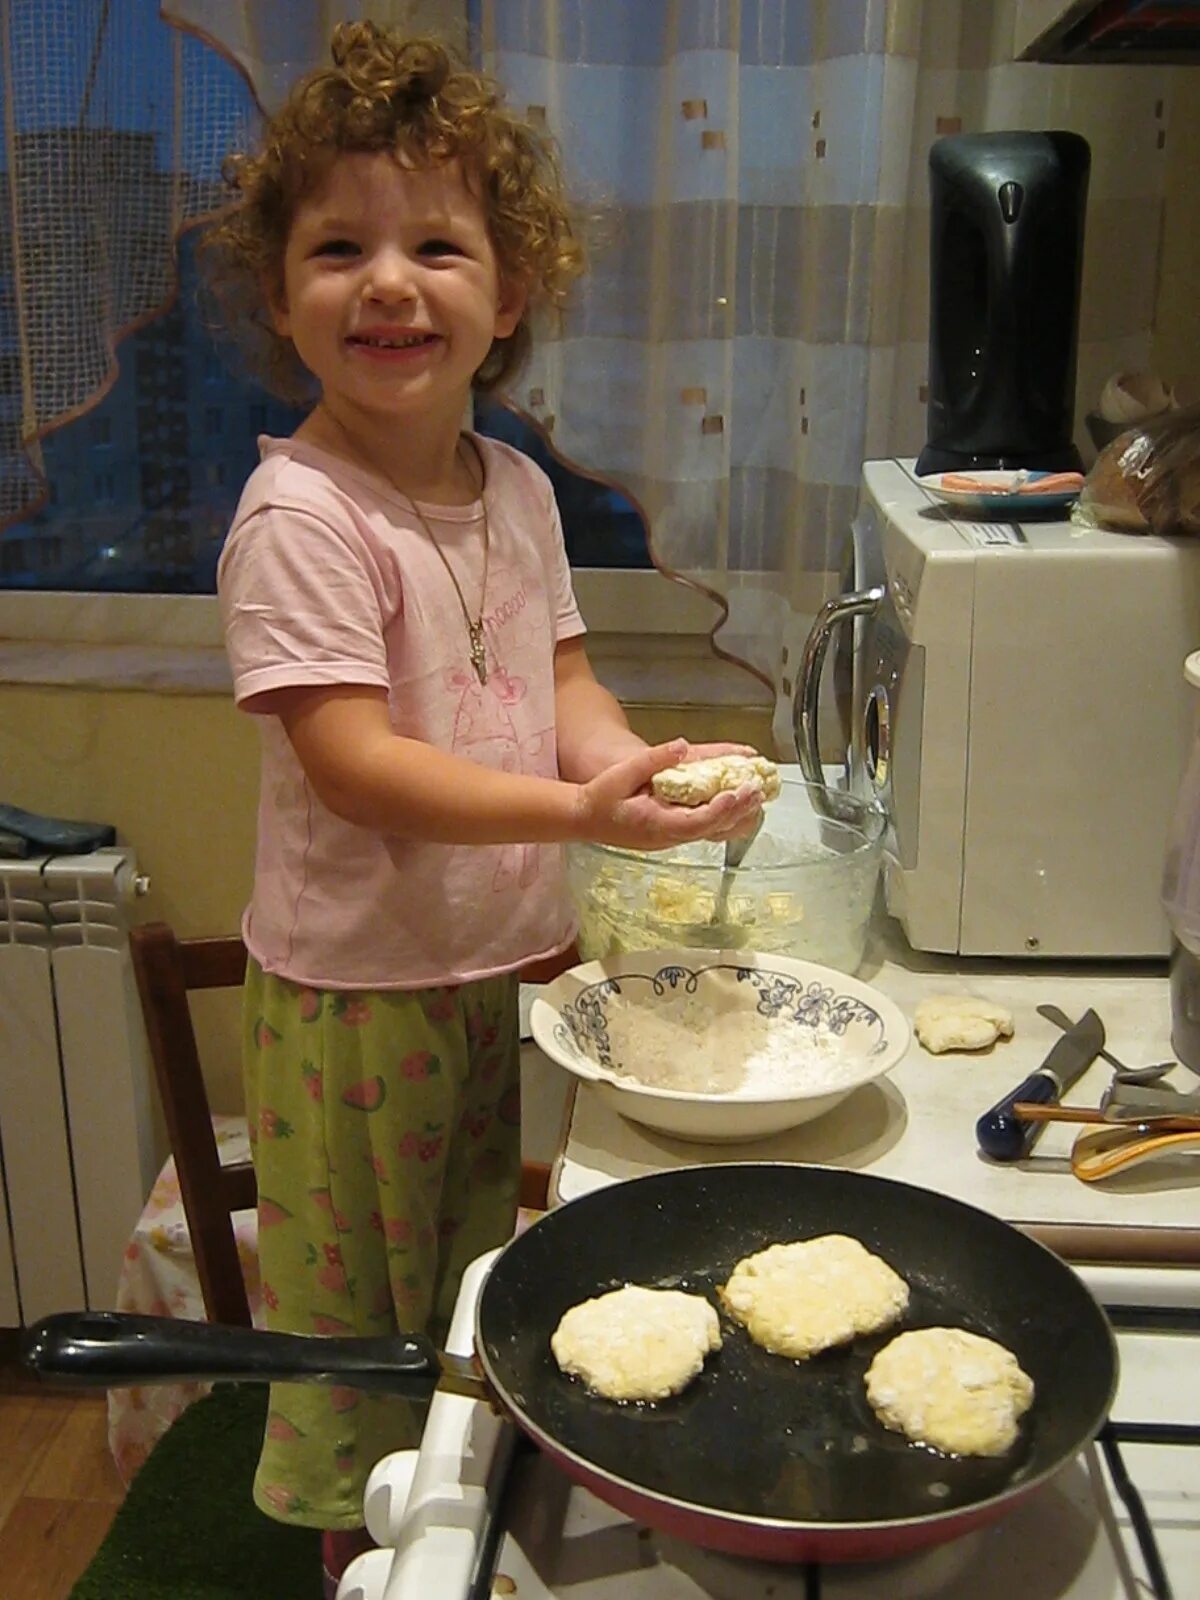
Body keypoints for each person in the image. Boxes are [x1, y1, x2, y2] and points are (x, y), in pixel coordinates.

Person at [202, 22, 764, 1595]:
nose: (390, 283)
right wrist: (576, 812)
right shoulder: (300, 514)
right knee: (361, 1340)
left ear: (508, 295)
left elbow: (564, 672)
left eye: (436, 245)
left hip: (493, 969)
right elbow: (353, 763)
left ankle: (444, 1540)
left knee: (464, 1303)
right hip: (356, 994)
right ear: (280, 295)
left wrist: (630, 767)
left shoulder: (511, 483)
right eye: (339, 248)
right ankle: (354, 1564)